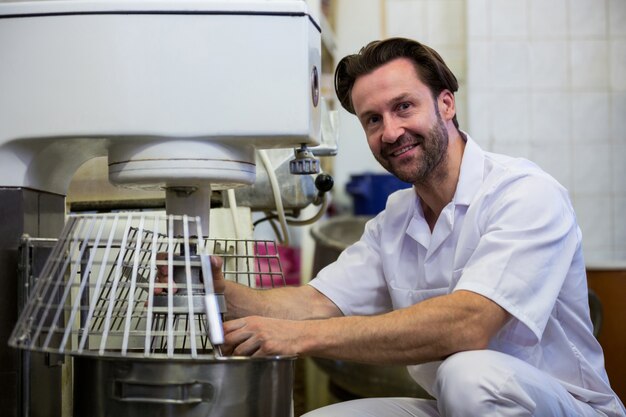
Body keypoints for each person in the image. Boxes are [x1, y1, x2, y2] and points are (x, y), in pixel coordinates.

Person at [174, 38, 626, 416]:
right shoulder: (396, 219)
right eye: (373, 119)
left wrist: (301, 338)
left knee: (467, 374)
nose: (390, 132)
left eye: (403, 107)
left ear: (446, 103)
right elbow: (314, 302)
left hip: (562, 405)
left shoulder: (525, 193)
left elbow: (470, 325)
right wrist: (220, 295)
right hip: (457, 405)